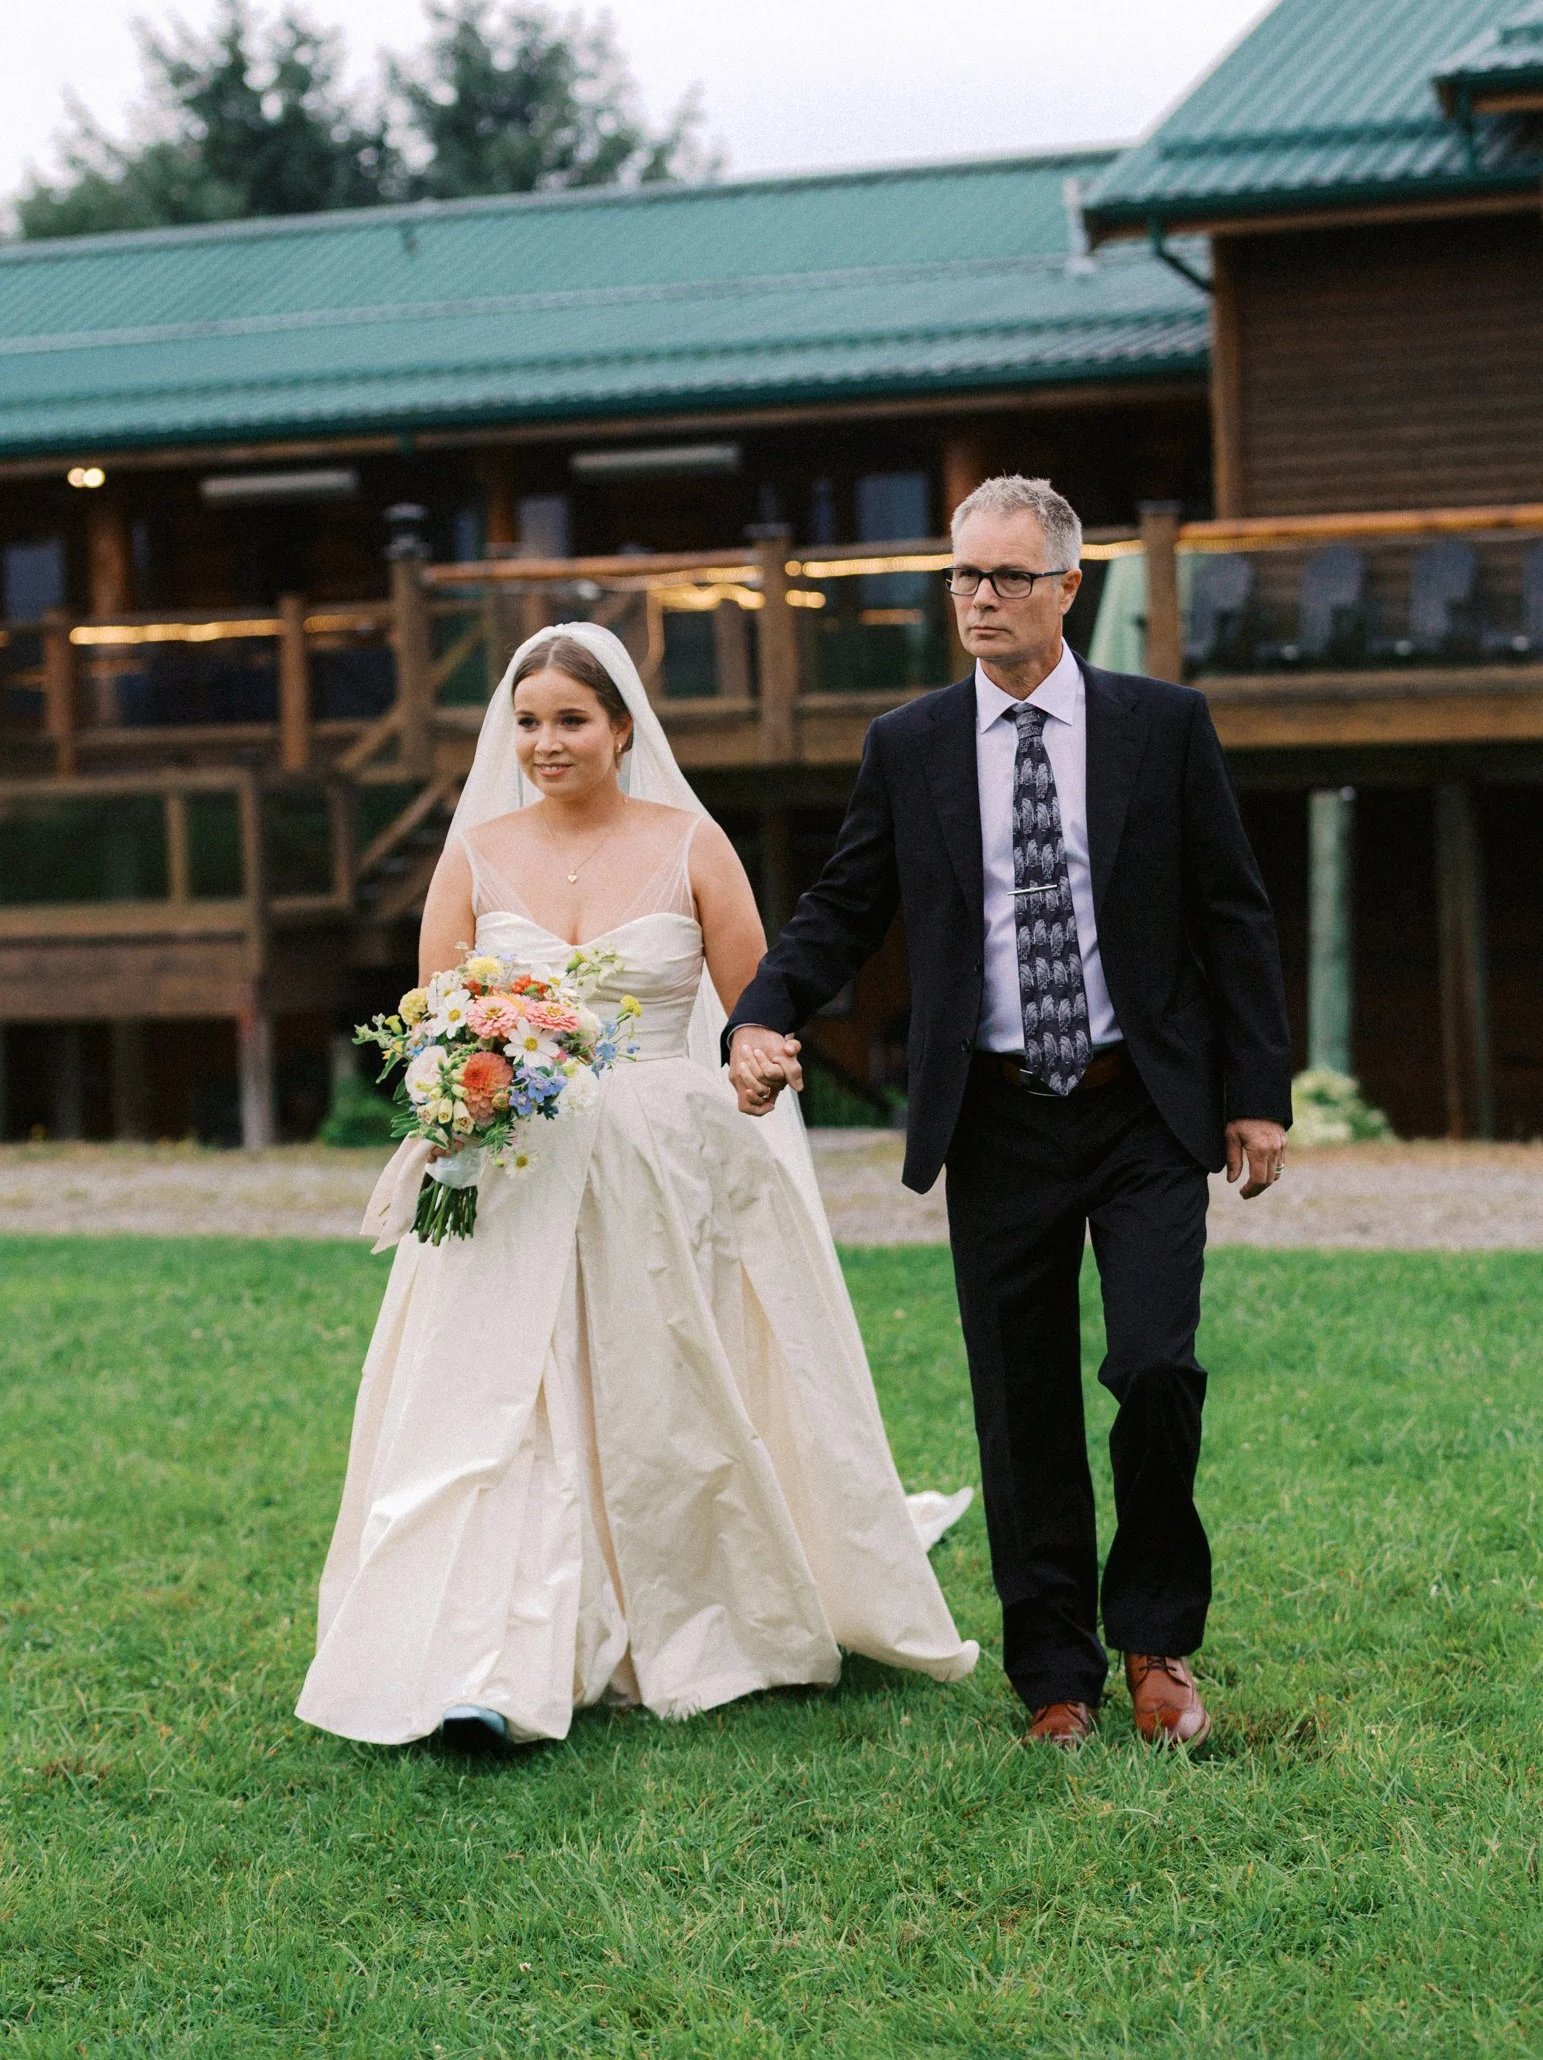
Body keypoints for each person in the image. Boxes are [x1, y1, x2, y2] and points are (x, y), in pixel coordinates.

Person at [297, 623, 977, 1752]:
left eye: (570, 720)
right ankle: (490, 1655)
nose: (546, 742)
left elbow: (757, 1001)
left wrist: (762, 1052)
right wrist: (461, 1083)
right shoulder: (472, 856)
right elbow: (434, 1018)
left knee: (660, 1389)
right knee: (505, 1401)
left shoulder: (690, 843)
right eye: (526, 723)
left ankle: (694, 1610)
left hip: (663, 1166)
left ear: (622, 727)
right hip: (512, 1166)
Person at [727, 476, 1291, 1751]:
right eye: (962, 577)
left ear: (1066, 588)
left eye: (1007, 578)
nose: (979, 600)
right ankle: (1057, 1677)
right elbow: (842, 906)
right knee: (1020, 1404)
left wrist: (1256, 1095)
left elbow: (1234, 915)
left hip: (1140, 1102)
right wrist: (760, 1012)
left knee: (1156, 1366)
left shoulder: (1163, 727)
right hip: (994, 1119)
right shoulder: (912, 744)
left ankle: (1156, 1642)